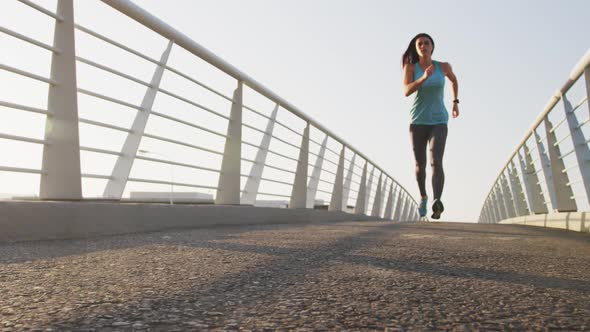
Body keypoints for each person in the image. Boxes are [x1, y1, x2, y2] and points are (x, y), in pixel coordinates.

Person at [401, 33, 459, 219]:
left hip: (439, 120)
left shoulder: (443, 66)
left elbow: (454, 80)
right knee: (420, 164)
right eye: (420, 44)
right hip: (418, 121)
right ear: (416, 48)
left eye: (427, 43)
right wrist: (423, 78)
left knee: (436, 161)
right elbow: (406, 91)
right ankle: (424, 196)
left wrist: (455, 102)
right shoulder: (411, 67)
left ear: (432, 46)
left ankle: (437, 201)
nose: (424, 46)